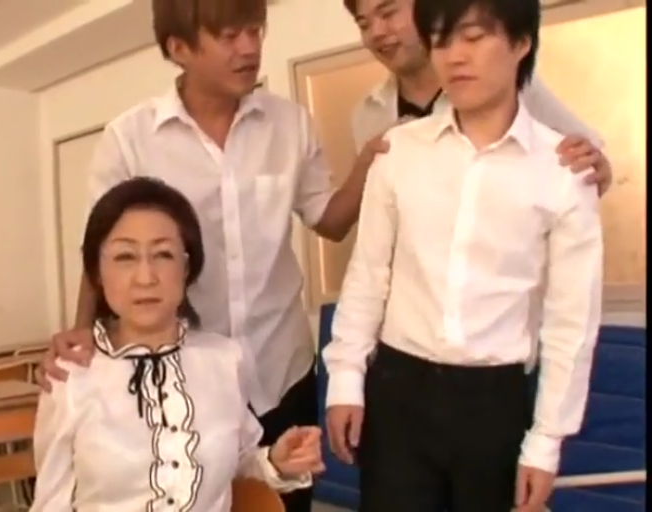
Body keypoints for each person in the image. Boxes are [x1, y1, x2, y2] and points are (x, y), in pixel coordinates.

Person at [36, 1, 368, 511]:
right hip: (183, 371)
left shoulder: (290, 124)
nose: (250, 48)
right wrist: (83, 332)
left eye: (255, 31)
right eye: (230, 36)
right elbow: (101, 245)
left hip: (281, 368)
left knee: (285, 490)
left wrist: (371, 164)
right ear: (179, 48)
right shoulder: (131, 137)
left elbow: (330, 220)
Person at [323, 0, 603, 511]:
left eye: (473, 38)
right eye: (441, 41)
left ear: (520, 43)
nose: (454, 57)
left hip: (494, 400)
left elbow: (572, 321)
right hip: (398, 389)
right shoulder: (398, 151)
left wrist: (547, 440)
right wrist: (345, 379)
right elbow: (368, 277)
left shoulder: (563, 171)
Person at [30, 177, 325, 512]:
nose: (146, 277)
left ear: (186, 269)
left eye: (163, 254)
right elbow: (50, 503)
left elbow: (238, 462)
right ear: (97, 272)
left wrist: (275, 461)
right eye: (125, 256)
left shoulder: (224, 360)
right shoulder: (70, 376)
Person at [336, 0, 613, 231]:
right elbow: (375, 223)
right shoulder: (368, 113)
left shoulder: (506, 85)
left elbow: (589, 160)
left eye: (388, 13)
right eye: (364, 24)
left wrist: (593, 166)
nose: (377, 32)